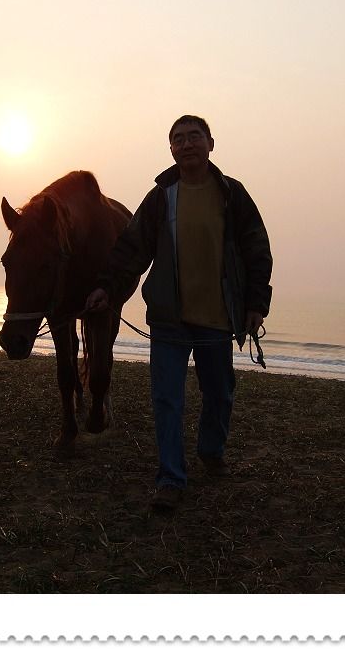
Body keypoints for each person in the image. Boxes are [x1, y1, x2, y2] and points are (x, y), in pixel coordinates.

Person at [85, 115, 273, 511]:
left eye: (194, 137)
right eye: (177, 140)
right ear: (171, 149)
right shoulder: (161, 195)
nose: (186, 145)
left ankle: (211, 451)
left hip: (218, 318)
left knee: (219, 393)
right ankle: (171, 477)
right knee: (167, 399)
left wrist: (256, 304)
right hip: (169, 318)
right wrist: (106, 287)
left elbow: (257, 248)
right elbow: (131, 248)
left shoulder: (231, 194)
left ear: (210, 143)